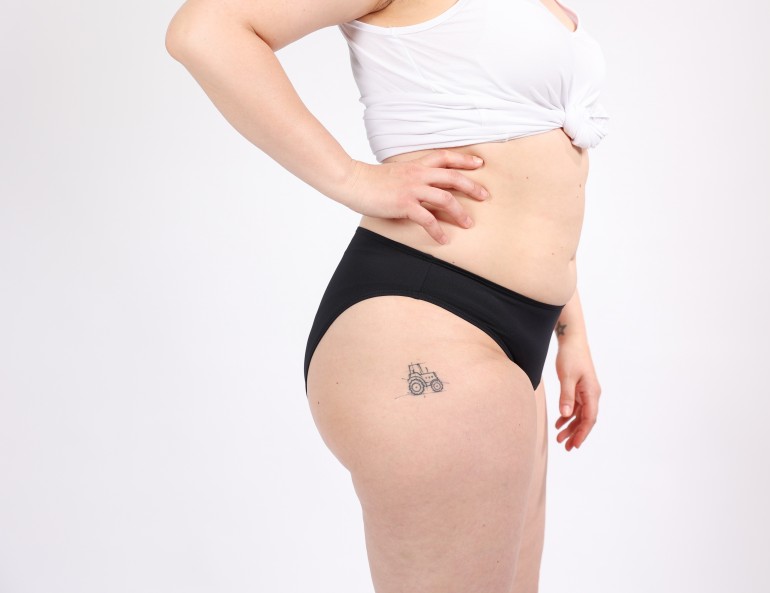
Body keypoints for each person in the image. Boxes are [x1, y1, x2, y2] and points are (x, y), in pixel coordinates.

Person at [165, 0, 607, 590]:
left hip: (513, 339)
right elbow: (204, 30)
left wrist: (570, 329)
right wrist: (352, 178)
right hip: (429, 320)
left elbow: (544, 177)